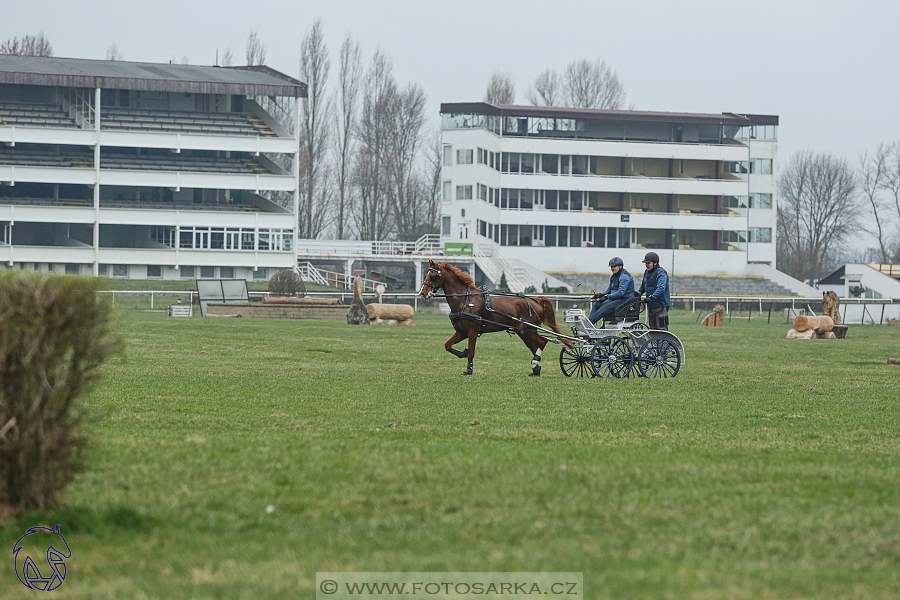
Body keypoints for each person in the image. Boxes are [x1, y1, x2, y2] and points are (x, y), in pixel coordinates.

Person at [589, 257, 635, 325]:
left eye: (614, 266)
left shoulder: (624, 277)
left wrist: (608, 297)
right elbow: (609, 290)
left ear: (620, 266)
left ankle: (589, 323)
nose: (612, 268)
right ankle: (590, 325)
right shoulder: (614, 276)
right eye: (611, 267)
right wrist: (601, 295)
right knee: (596, 304)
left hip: (624, 300)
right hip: (616, 299)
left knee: (604, 307)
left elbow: (621, 292)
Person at [638, 251, 671, 330]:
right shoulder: (647, 272)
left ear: (655, 263)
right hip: (651, 305)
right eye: (646, 263)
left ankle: (664, 342)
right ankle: (654, 342)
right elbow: (643, 286)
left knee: (661, 328)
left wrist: (651, 297)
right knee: (652, 329)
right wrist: (637, 294)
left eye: (648, 263)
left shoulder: (661, 272)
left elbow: (661, 288)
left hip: (661, 305)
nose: (647, 265)